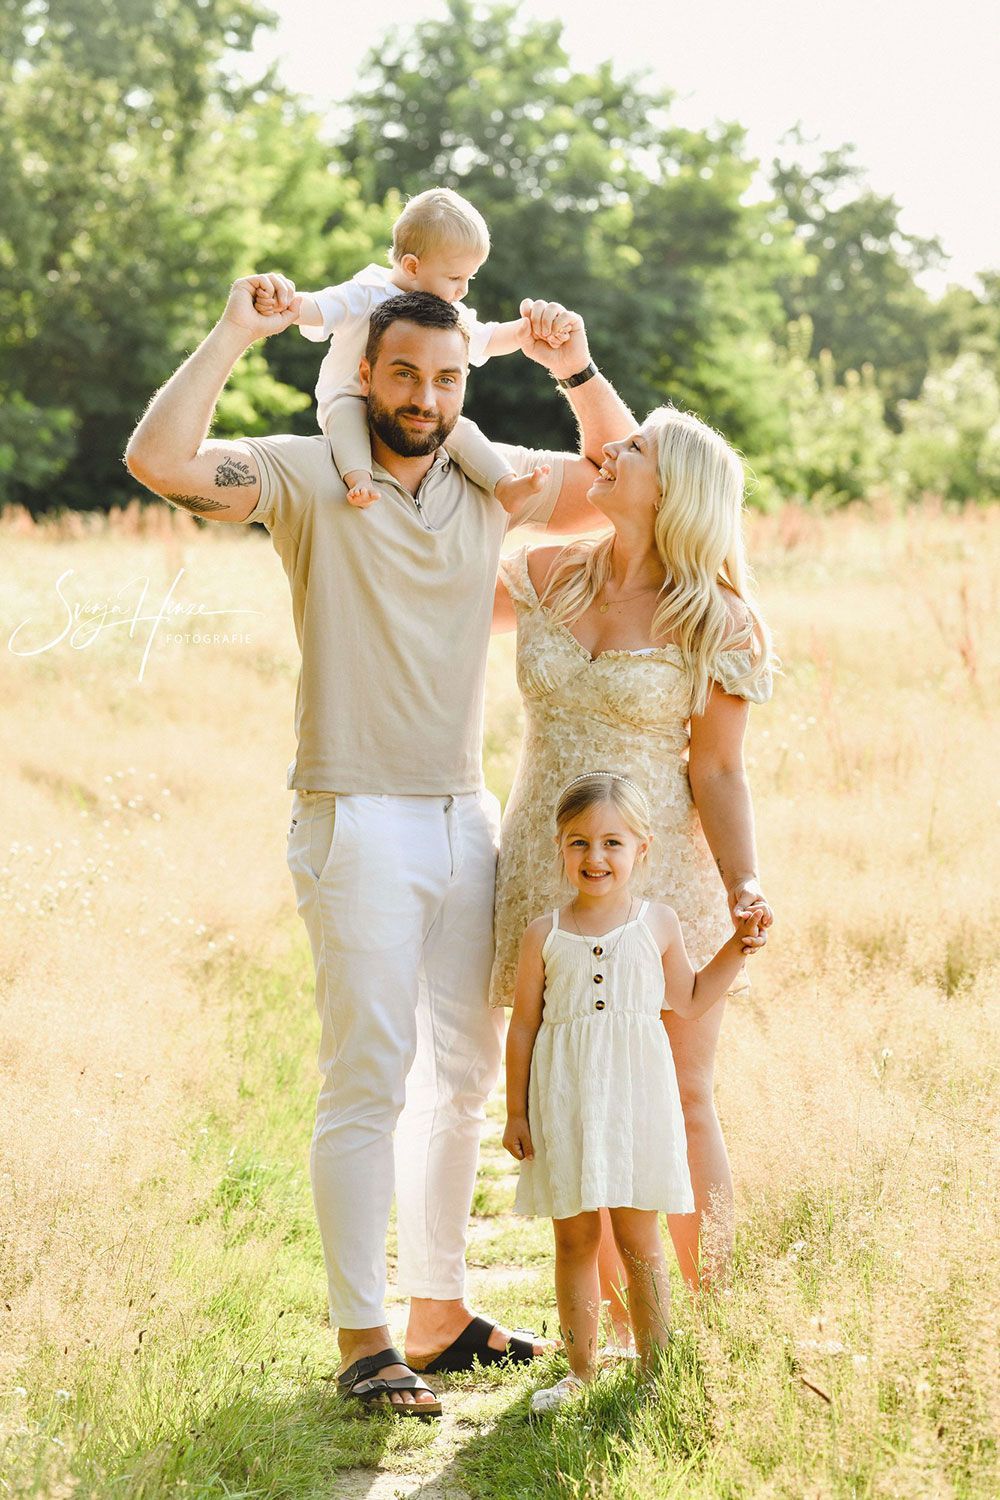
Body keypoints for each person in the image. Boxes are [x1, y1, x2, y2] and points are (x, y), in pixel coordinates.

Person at [124, 272, 634, 1416]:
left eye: (445, 377)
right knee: (368, 1079)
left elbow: (622, 482)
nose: (423, 394)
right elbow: (160, 462)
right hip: (351, 815)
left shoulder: (487, 484)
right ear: (365, 372)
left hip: (462, 813)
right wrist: (233, 331)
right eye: (401, 372)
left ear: (465, 385)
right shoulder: (310, 476)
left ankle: (438, 1313)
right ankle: (364, 1337)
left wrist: (577, 372)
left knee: (460, 1082)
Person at [491, 404, 775, 1332]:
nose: (608, 452)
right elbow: (424, 589)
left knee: (679, 1098)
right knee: (575, 1096)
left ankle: (714, 1315)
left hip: (660, 884)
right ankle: (616, 1329)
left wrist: (744, 887)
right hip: (547, 866)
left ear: (676, 489)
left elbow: (720, 768)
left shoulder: (717, 621)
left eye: (634, 448)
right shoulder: (543, 574)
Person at [503, 772, 765, 1412]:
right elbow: (524, 1026)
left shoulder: (659, 923)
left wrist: (740, 946)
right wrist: (515, 1110)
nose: (595, 857)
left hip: (634, 1103)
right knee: (574, 1240)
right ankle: (581, 1371)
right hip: (566, 1104)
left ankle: (655, 1366)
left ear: (642, 848)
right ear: (560, 847)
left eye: (612, 843)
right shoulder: (545, 934)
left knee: (638, 1236)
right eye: (579, 843)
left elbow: (694, 998)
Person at [252, 186, 571, 509]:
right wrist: (284, 302)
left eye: (469, 279)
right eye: (455, 277)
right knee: (347, 419)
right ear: (413, 266)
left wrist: (524, 330)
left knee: (461, 429)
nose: (462, 290)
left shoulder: (448, 310)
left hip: (414, 409)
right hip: (349, 395)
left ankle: (505, 485)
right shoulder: (367, 292)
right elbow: (319, 307)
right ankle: (359, 480)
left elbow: (486, 338)